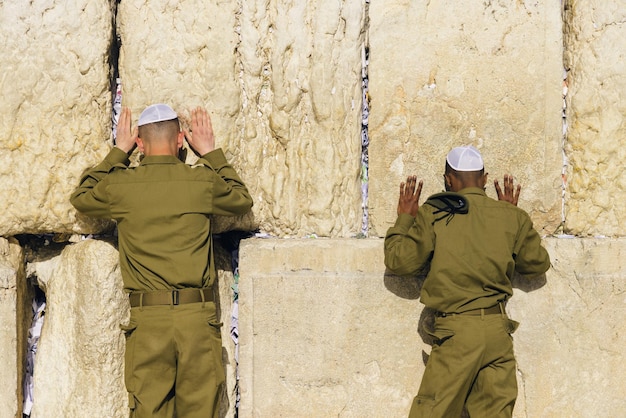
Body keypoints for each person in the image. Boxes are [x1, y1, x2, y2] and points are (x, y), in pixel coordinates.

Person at [70, 104, 253, 418]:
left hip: (149, 321)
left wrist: (118, 153)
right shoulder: (201, 182)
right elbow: (241, 199)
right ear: (181, 140)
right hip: (197, 318)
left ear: (140, 144)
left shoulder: (121, 186)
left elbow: (82, 197)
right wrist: (211, 153)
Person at [384, 145, 550, 418]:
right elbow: (537, 264)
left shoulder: (434, 213)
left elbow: (400, 262)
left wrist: (404, 219)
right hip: (498, 334)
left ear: (448, 179)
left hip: (457, 334)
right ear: (484, 179)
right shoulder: (511, 217)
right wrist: (511, 220)